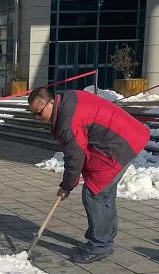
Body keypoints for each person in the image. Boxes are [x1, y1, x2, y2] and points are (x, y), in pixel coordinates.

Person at [28, 86, 150, 263]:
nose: (38, 118)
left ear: (51, 102)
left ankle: (100, 246)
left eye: (39, 112)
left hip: (118, 145)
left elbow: (75, 157)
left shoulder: (66, 123)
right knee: (104, 195)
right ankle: (104, 240)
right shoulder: (67, 99)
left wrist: (67, 186)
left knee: (94, 194)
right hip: (126, 137)